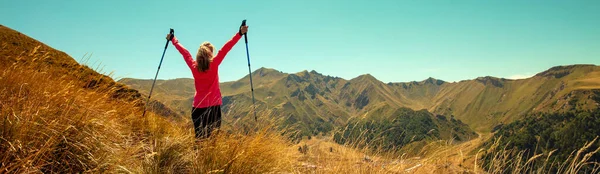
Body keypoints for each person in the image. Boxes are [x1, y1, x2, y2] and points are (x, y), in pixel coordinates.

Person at [166, 24, 248, 138]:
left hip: (197, 109)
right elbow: (226, 48)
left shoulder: (194, 66)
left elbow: (185, 53)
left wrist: (173, 40)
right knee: (212, 142)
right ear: (210, 54)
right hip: (213, 109)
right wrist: (239, 33)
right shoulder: (214, 64)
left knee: (199, 141)